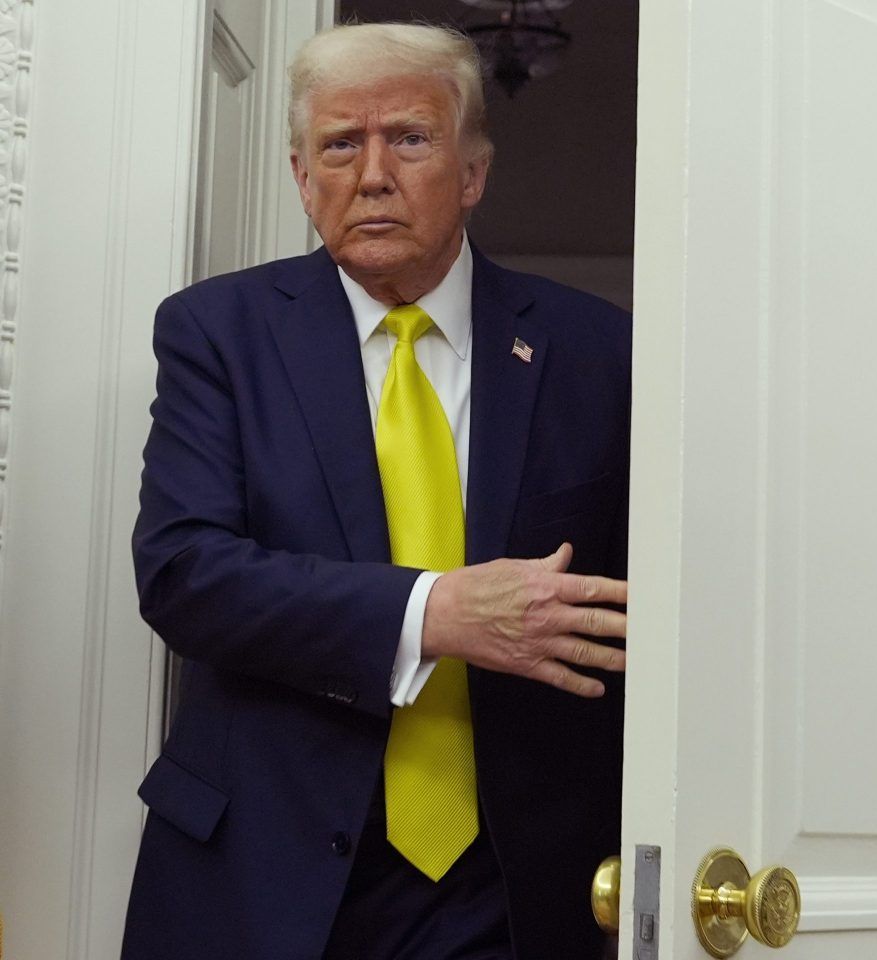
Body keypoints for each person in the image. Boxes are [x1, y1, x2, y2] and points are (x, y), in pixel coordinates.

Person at [121, 22, 630, 960]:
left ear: (473, 172)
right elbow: (184, 573)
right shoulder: (217, 333)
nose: (372, 175)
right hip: (257, 870)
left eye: (410, 138)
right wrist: (434, 613)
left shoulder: (601, 351)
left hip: (510, 889)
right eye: (339, 145)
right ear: (300, 177)